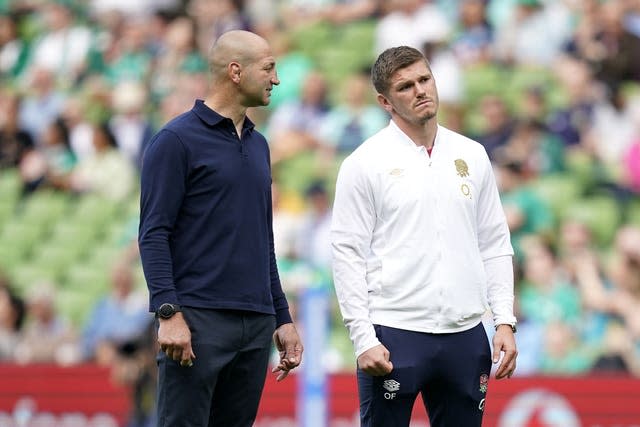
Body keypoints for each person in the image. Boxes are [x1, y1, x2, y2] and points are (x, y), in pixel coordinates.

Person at [330, 45, 518, 427]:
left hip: (465, 334)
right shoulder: (364, 163)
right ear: (384, 101)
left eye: (424, 79)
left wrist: (503, 321)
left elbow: (495, 243)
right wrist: (363, 337)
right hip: (395, 333)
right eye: (405, 86)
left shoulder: (473, 154)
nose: (419, 91)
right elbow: (347, 253)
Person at [138, 30, 303, 427]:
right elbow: (153, 232)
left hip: (255, 323)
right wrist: (168, 313)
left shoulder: (261, 144)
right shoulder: (175, 140)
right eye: (268, 68)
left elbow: (264, 241)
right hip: (196, 321)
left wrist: (281, 316)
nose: (276, 79)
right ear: (235, 71)